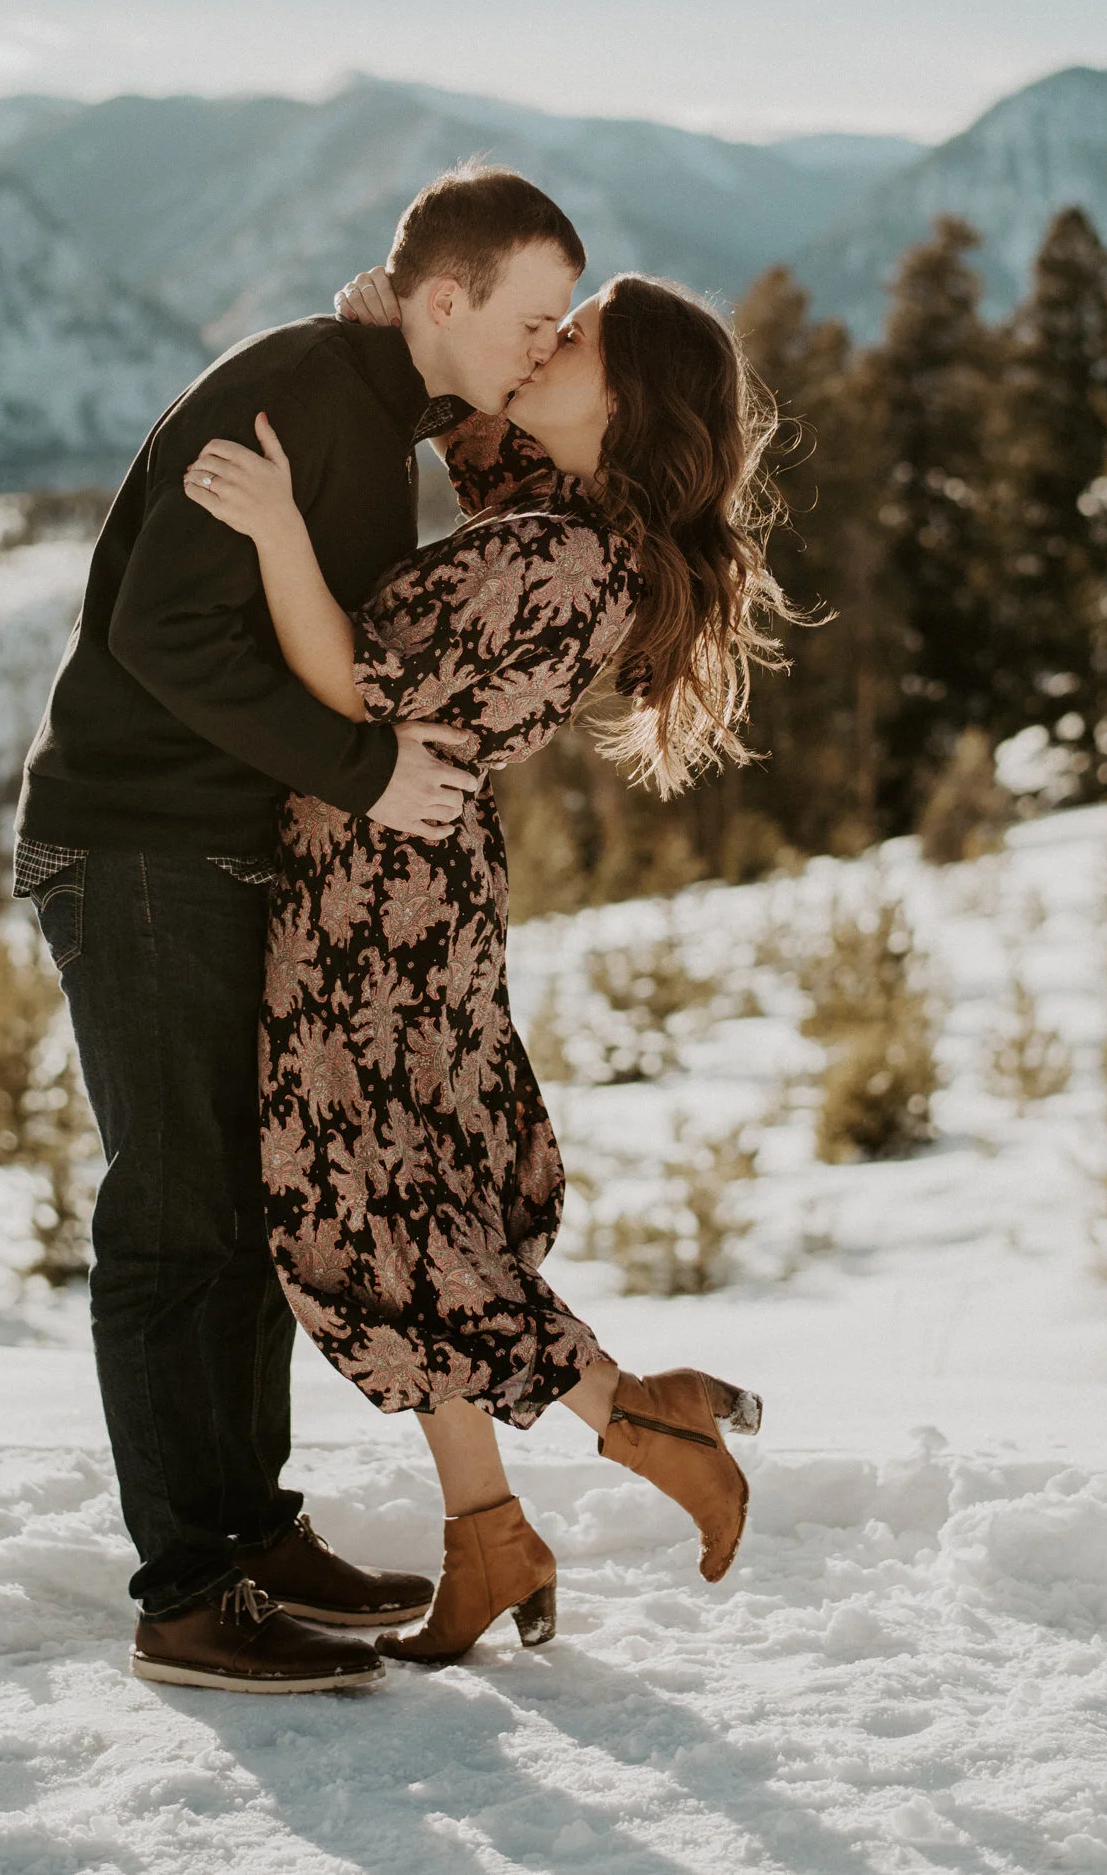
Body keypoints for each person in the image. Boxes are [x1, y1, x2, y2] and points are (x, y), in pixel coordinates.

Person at [15, 164, 588, 1694]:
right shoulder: (304, 392)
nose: (545, 348)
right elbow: (159, 630)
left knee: (243, 1207)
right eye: (532, 321)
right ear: (445, 298)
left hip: (216, 850)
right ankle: (187, 1593)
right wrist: (363, 771)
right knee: (172, 1217)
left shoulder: (372, 398)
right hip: (139, 845)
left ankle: (252, 1538)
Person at [183, 262, 788, 1663]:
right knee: (417, 1198)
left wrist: (276, 528)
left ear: (623, 405)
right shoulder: (572, 514)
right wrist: (411, 327)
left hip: (372, 899)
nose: (544, 344)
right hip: (415, 888)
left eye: (573, 338)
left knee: (374, 1208)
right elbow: (477, 435)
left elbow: (350, 686)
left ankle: (634, 1415)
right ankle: (490, 1533)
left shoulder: (560, 559)